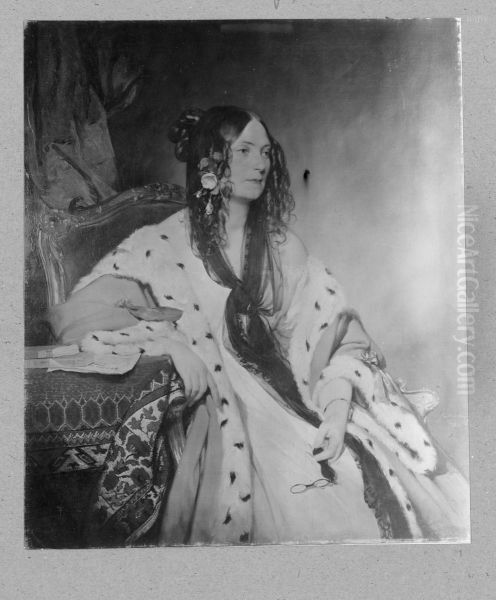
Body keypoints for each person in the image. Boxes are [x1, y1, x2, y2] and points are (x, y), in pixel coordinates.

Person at [50, 105, 469, 545]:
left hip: (296, 396)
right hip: (224, 406)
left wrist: (335, 410)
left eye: (266, 152)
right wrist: (171, 346)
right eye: (246, 151)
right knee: (300, 507)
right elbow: (83, 312)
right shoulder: (161, 244)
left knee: (357, 479)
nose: (261, 163)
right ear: (211, 161)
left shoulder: (282, 247)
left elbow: (331, 331)